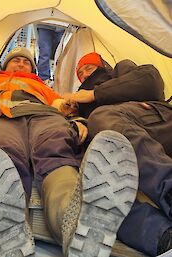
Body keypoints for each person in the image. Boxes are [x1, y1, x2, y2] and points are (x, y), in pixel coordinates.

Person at [0, 47, 139, 257]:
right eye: (15, 60)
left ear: (33, 68)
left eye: (25, 62)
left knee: (57, 151)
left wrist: (76, 121)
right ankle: (4, 235)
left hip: (44, 115)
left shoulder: (41, 85)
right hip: (0, 115)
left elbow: (62, 105)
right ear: (4, 64)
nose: (20, 64)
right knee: (1, 156)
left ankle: (71, 220)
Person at [65, 52, 172, 256]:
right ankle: (162, 237)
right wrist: (76, 122)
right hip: (114, 141)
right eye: (80, 73)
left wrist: (94, 95)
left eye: (89, 68)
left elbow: (150, 81)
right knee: (95, 186)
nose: (85, 74)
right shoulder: (76, 99)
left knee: (103, 116)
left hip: (155, 121)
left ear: (102, 66)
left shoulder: (119, 70)